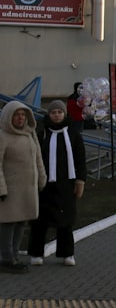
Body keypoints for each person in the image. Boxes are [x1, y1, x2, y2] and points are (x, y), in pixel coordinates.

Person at [28, 101, 86, 266]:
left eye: (59, 112)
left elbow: (80, 159)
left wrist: (80, 180)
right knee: (39, 221)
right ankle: (36, 253)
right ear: (49, 114)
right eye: (53, 112)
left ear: (65, 114)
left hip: (66, 184)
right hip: (44, 184)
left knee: (66, 221)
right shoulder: (42, 133)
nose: (56, 115)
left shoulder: (73, 134)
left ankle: (67, 254)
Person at [0, 100, 46, 273]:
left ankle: (15, 256)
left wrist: (42, 178)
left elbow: (38, 159)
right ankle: (6, 258)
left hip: (27, 189)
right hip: (10, 190)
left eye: (22, 115)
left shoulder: (29, 135)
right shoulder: (3, 136)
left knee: (21, 223)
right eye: (16, 115)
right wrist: (1, 188)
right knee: (8, 223)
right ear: (8, 117)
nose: (20, 118)